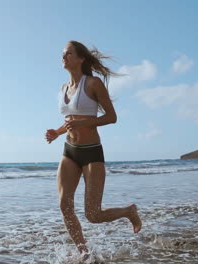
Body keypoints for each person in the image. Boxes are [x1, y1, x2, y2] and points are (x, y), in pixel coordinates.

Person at [45, 40, 142, 259]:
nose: (63, 57)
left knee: (93, 214)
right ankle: (84, 253)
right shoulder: (63, 88)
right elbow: (70, 120)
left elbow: (111, 117)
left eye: (68, 53)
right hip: (69, 150)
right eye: (63, 54)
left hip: (91, 152)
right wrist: (57, 132)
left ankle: (129, 211)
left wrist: (84, 123)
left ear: (81, 58)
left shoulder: (93, 83)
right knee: (64, 205)